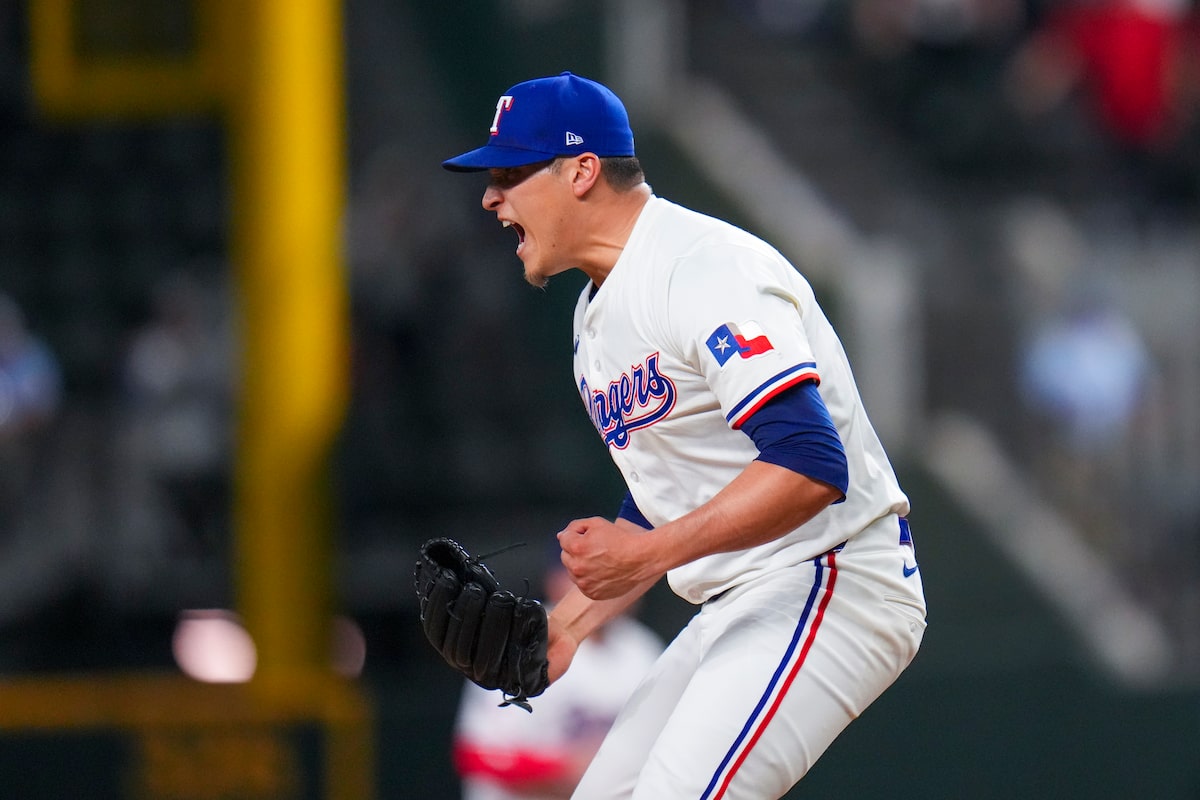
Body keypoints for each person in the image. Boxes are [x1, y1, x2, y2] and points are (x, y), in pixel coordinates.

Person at [441, 71, 927, 799]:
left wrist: (646, 554)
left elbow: (810, 464)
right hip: (742, 597)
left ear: (580, 171)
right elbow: (668, 498)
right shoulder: (592, 320)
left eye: (509, 174)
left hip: (831, 576)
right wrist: (568, 624)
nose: (490, 197)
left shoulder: (701, 268)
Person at [453, 557, 664, 800]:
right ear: (554, 581)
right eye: (584, 575)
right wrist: (564, 768)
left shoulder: (642, 649)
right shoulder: (519, 641)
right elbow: (478, 756)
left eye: (614, 574)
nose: (604, 586)